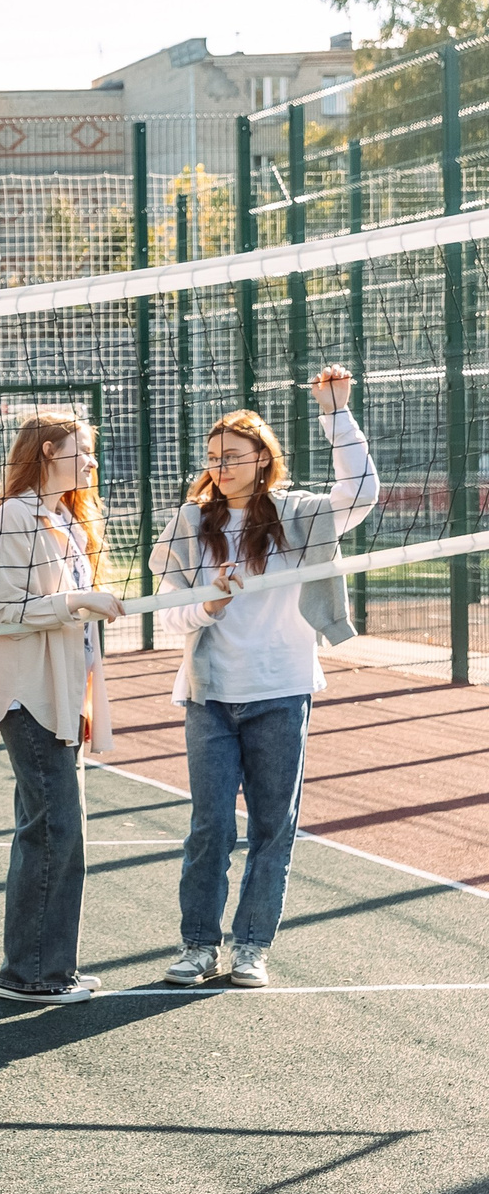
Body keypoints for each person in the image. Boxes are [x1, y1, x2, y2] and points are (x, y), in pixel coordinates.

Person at [150, 367, 374, 989]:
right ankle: (200, 946)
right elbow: (169, 614)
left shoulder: (300, 514)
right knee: (211, 828)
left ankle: (251, 947)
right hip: (211, 696)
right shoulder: (189, 524)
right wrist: (208, 606)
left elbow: (360, 491)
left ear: (262, 459)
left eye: (233, 455)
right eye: (213, 457)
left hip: (281, 690)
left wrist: (336, 412)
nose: (220, 466)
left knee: (273, 827)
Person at [0, 413, 125, 1006]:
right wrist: (77, 600)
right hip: (29, 693)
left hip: (63, 694)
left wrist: (81, 603)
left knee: (53, 830)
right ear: (50, 452)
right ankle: (33, 975)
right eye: (83, 451)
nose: (92, 463)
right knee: (56, 831)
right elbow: (3, 613)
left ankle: (44, 966)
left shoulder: (66, 520)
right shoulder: (15, 515)